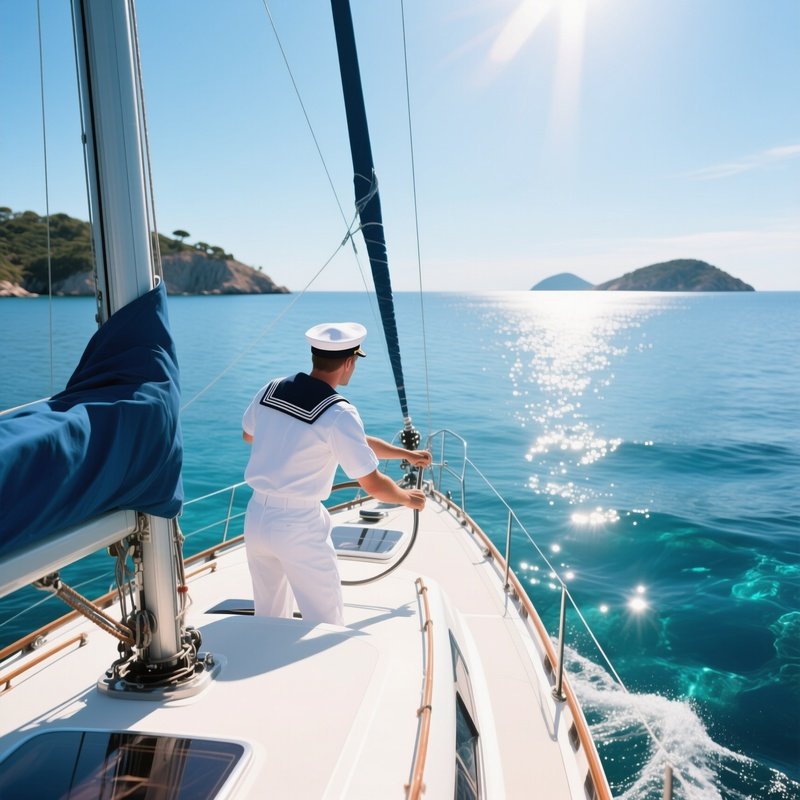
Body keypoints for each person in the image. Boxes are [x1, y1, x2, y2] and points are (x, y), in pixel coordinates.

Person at [241, 321, 431, 626]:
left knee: (269, 617)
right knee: (326, 622)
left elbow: (250, 435)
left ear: (315, 356)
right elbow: (374, 484)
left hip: (256, 519)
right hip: (298, 525)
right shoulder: (339, 412)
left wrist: (404, 454)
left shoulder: (271, 388)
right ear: (349, 362)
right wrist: (408, 498)